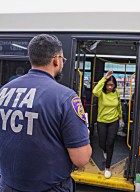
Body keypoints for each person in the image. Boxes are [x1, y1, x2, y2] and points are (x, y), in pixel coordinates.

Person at [0, 34, 92, 192]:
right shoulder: (65, 97)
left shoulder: (4, 91)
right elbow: (81, 159)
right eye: (63, 60)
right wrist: (85, 134)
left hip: (7, 185)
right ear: (56, 59)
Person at [92, 71, 123, 179]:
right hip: (102, 121)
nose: (110, 87)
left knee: (110, 144)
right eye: (108, 84)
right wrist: (104, 78)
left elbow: (118, 105)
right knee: (102, 143)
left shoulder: (117, 92)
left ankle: (107, 167)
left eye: (112, 85)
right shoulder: (101, 92)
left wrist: (120, 116)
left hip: (114, 121)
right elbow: (94, 91)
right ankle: (104, 150)